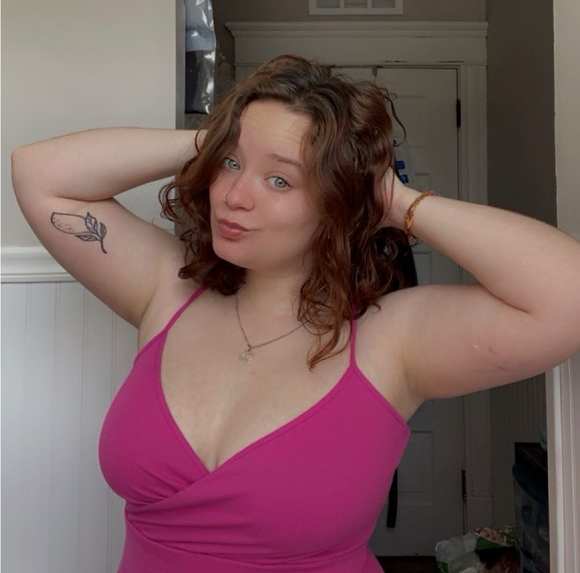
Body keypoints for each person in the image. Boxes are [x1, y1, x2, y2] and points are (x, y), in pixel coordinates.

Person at [11, 54, 580, 573]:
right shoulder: (169, 289)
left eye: (279, 179)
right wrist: (221, 138)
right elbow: (38, 172)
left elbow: (567, 296)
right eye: (229, 164)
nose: (233, 195)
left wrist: (395, 201)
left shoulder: (391, 340)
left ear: (337, 203)